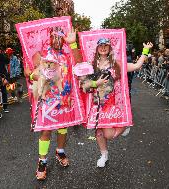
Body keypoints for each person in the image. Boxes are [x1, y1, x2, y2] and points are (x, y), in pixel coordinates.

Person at [81, 38, 153, 167]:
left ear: (109, 48)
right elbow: (84, 84)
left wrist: (145, 51)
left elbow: (136, 66)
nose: (103, 48)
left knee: (108, 135)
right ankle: (104, 155)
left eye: (106, 46)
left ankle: (125, 125)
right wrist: (95, 83)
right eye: (100, 46)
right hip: (96, 103)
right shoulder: (91, 65)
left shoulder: (116, 63)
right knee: (98, 132)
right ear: (97, 49)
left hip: (111, 104)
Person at [24, 27, 82, 180]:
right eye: (54, 37)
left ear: (63, 39)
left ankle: (60, 151)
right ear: (49, 38)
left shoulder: (67, 54)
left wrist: (73, 43)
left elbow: (80, 64)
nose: (57, 40)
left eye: (60, 37)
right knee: (46, 131)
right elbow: (28, 72)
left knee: (63, 127)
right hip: (47, 99)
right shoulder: (42, 54)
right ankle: (42, 161)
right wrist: (40, 77)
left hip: (63, 98)